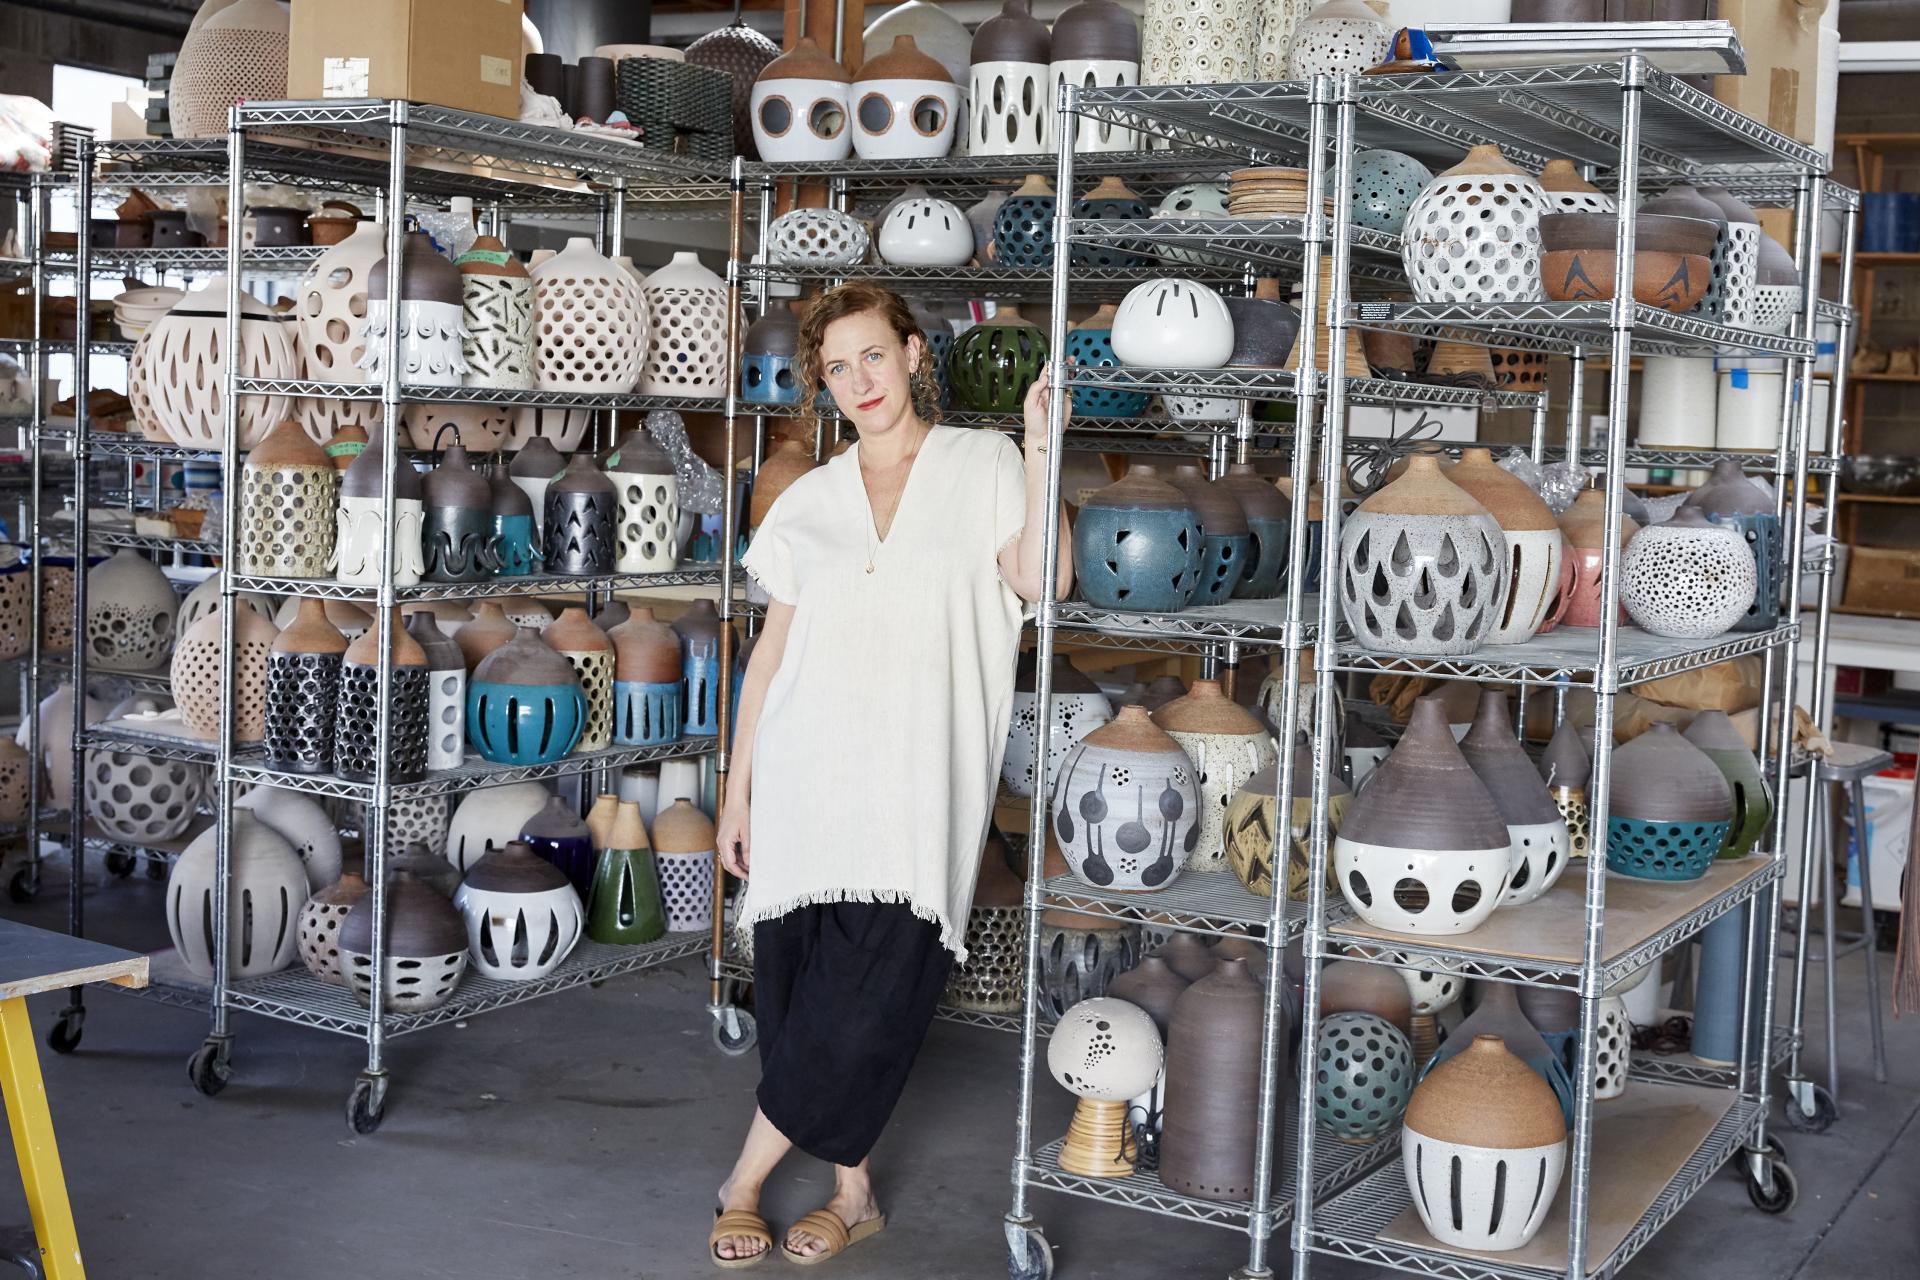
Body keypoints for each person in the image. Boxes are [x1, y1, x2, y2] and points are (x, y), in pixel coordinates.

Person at [708, 281, 1071, 1268]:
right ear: (822, 385)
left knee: (869, 994)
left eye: (874, 355)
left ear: (915, 353)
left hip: (916, 789)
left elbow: (1044, 580)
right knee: (796, 994)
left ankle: (739, 1180)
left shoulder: (983, 463)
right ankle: (853, 1190)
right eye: (836, 367)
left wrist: (1043, 447)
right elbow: (770, 659)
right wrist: (739, 790)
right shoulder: (810, 499)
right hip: (804, 780)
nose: (858, 380)